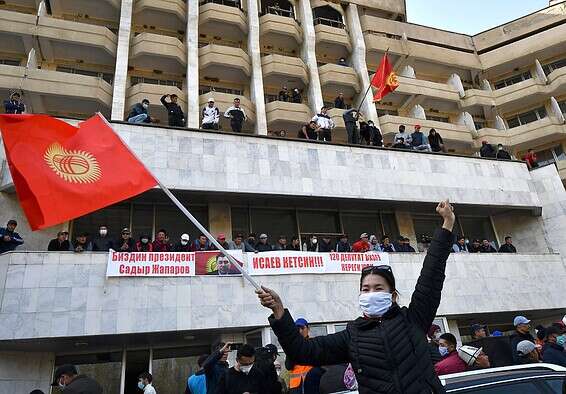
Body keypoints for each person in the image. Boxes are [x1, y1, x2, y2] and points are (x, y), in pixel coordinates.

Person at [257, 200, 456, 393]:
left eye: (378, 288)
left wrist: (447, 224)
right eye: (365, 289)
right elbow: (302, 351)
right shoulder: (352, 336)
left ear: (392, 295)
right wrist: (279, 312)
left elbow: (432, 274)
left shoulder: (413, 320)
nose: (371, 294)